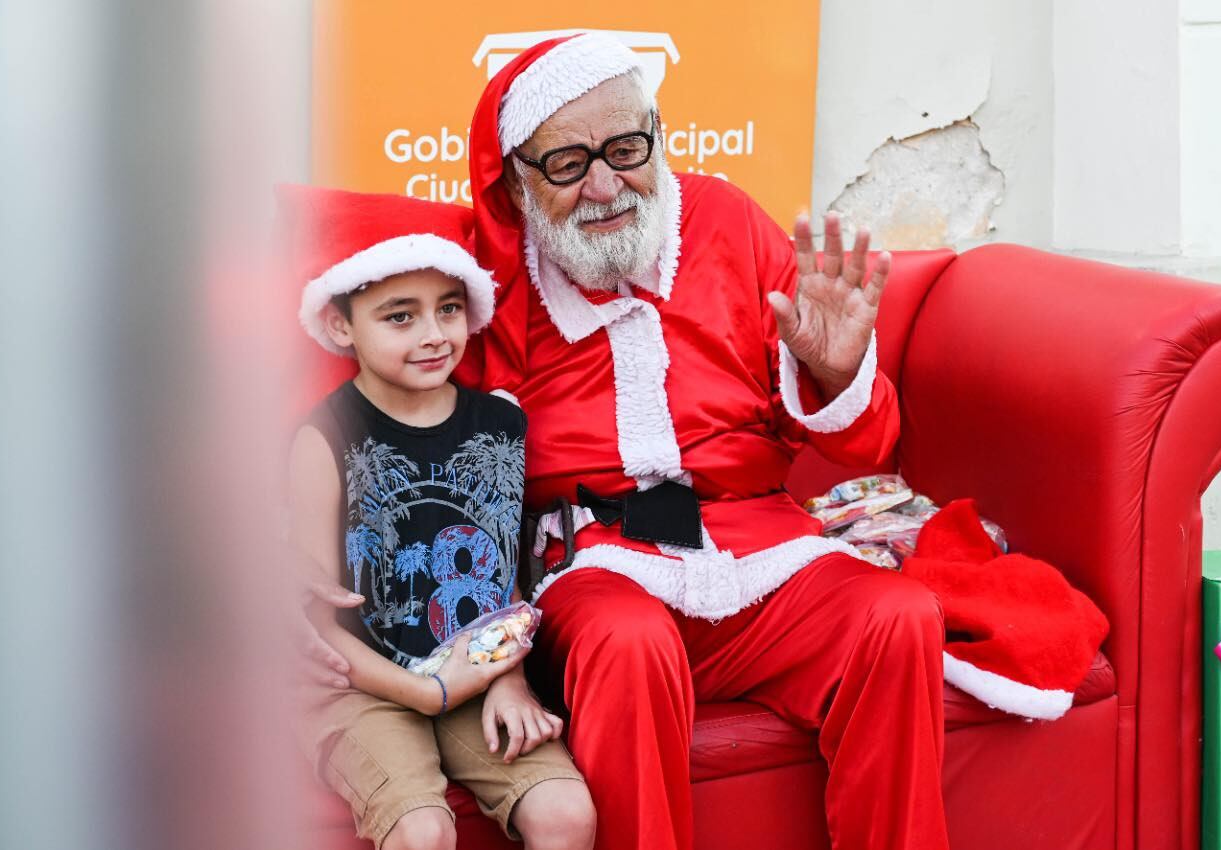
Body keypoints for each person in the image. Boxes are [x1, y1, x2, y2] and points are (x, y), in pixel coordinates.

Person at [307, 32, 948, 850]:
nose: (607, 184)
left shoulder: (726, 221)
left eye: (626, 148)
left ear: (658, 136)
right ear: (519, 180)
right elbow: (356, 322)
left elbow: (867, 449)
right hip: (593, 560)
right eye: (568, 164)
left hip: (761, 545)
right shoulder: (482, 284)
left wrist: (840, 368)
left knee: (897, 616)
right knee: (626, 640)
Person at [284, 186, 596, 850]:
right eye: (400, 317)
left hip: (474, 670)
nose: (433, 336)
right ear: (342, 325)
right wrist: (425, 694)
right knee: (422, 830)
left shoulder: (499, 425)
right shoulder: (325, 437)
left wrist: (508, 678)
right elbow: (314, 617)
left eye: (448, 310)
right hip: (358, 683)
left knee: (568, 813)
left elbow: (501, 581)